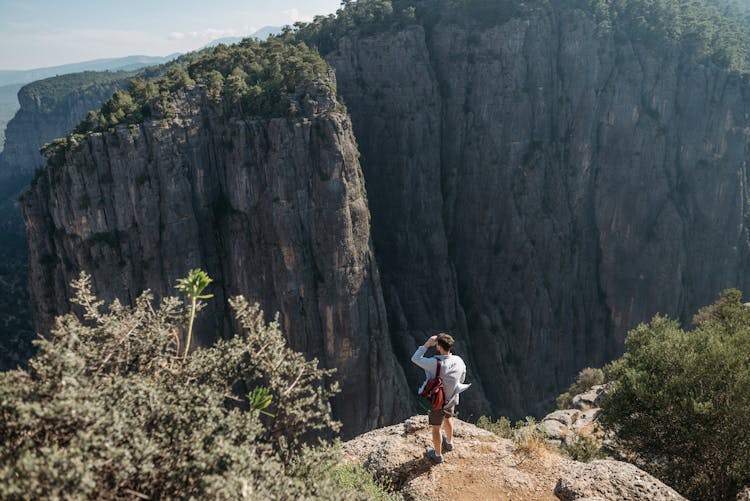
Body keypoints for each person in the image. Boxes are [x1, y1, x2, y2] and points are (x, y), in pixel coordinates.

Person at [411, 333, 470, 464]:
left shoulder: (434, 363)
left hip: (437, 401)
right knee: (448, 418)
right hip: (452, 397)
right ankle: (449, 443)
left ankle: (437, 455)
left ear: (438, 346)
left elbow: (415, 358)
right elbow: (462, 377)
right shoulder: (459, 360)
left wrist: (427, 344)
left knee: (436, 428)